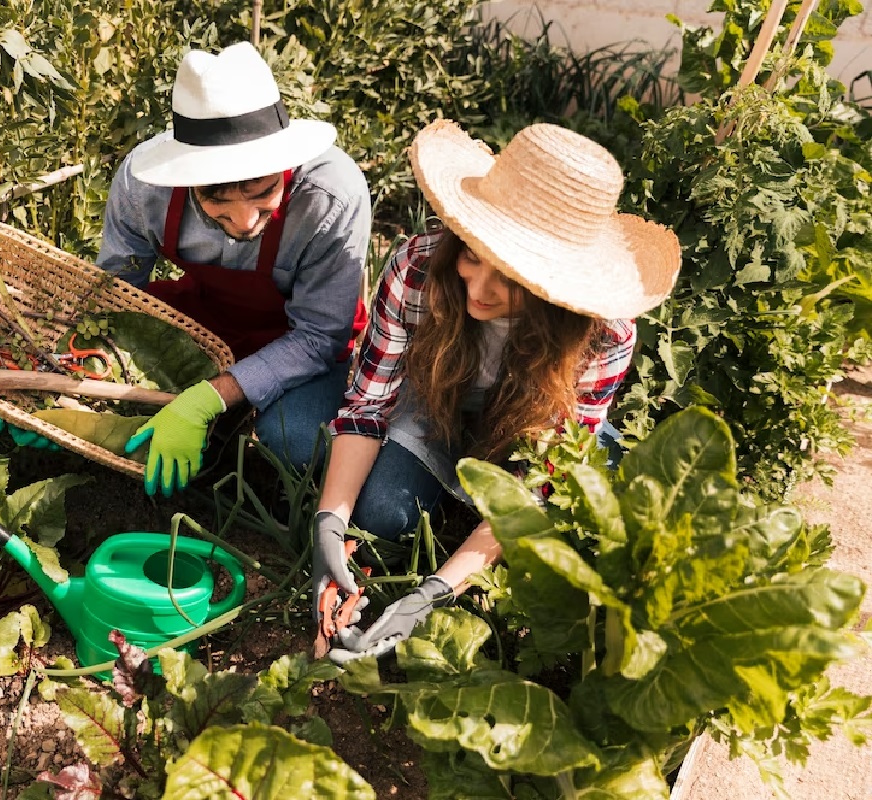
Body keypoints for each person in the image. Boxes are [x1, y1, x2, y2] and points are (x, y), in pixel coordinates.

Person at [312, 119, 681, 663]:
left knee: (579, 519)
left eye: (509, 280)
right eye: (471, 256)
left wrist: (434, 593)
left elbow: (539, 480)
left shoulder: (604, 335)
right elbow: (369, 403)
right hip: (439, 408)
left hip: (528, 436)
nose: (477, 291)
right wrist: (328, 524)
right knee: (383, 512)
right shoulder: (418, 269)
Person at [93, 41, 372, 497]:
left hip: (297, 339)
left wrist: (210, 397)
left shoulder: (332, 196)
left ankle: (230, 421)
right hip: (203, 317)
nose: (245, 221)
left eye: (261, 191)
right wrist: (72, 380)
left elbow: (321, 335)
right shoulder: (144, 187)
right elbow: (118, 293)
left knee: (298, 441)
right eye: (216, 200)